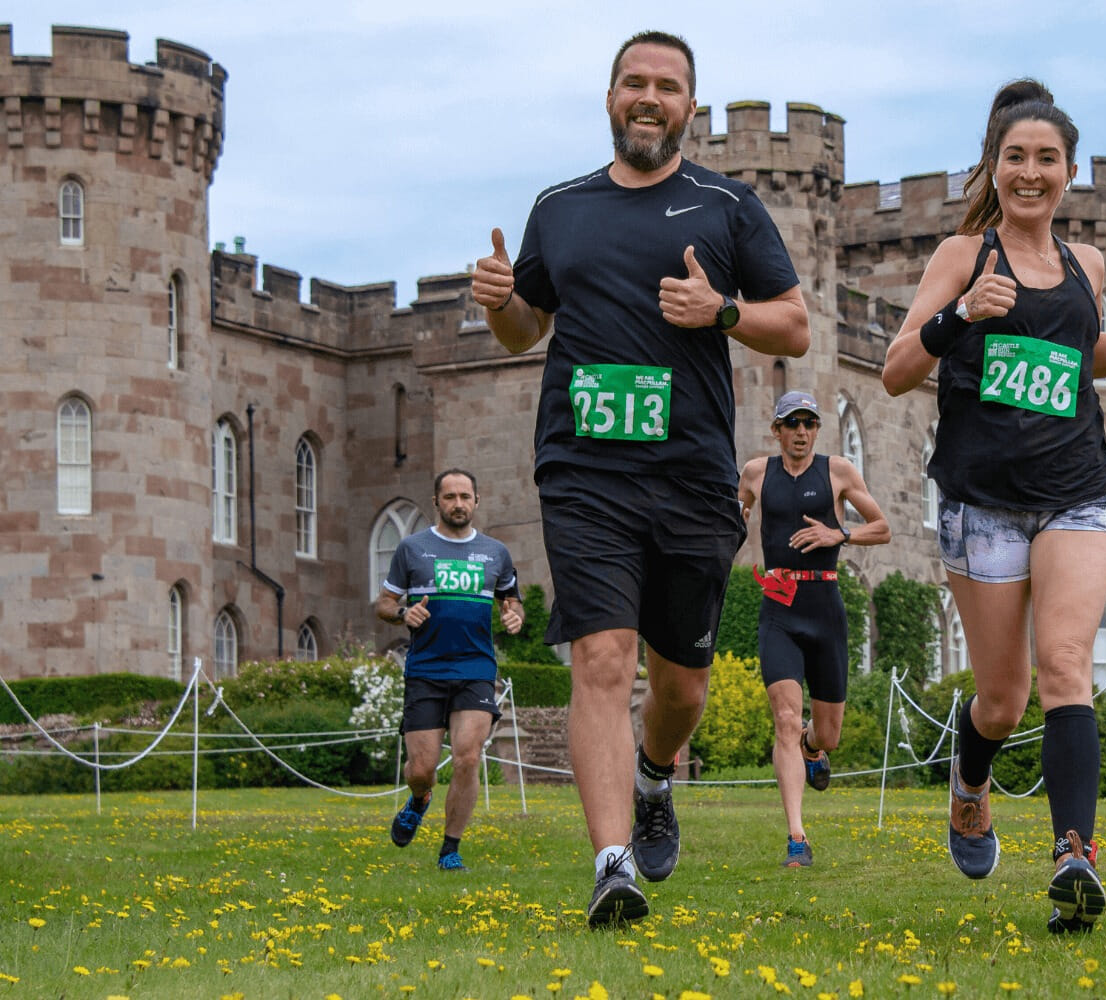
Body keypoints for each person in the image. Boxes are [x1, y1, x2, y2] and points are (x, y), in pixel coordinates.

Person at [470, 30, 809, 927]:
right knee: (601, 659)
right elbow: (524, 332)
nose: (648, 97)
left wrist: (723, 310)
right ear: (610, 96)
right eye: (634, 82)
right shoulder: (561, 208)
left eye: (667, 85)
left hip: (691, 474)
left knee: (681, 684)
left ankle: (657, 777)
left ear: (689, 107)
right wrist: (502, 297)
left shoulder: (726, 206)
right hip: (584, 471)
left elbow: (797, 325)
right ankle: (611, 862)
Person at [880, 79, 1106, 934]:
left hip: (1075, 491)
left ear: (1068, 171)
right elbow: (897, 370)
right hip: (982, 500)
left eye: (1045, 159)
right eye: (1015, 157)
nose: (1030, 173)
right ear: (996, 165)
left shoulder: (1087, 265)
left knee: (1065, 666)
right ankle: (970, 783)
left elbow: (1075, 352)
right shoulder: (961, 256)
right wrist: (956, 315)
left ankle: (1073, 858)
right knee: (1003, 699)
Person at [736, 390, 888, 868]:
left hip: (825, 607)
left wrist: (838, 533)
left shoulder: (837, 471)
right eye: (791, 423)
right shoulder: (756, 473)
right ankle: (797, 839)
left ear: (817, 429)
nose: (801, 432)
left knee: (829, 734)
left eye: (809, 423)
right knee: (783, 718)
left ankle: (811, 747)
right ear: (776, 430)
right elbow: (735, 513)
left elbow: (882, 527)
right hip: (778, 606)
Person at [374, 469, 525, 873]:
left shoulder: (496, 552)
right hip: (425, 668)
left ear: (476, 501)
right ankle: (419, 800)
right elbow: (384, 604)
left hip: (476, 667)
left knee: (467, 757)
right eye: (450, 497)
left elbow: (511, 600)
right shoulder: (412, 549)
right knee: (421, 770)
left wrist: (514, 617)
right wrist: (405, 613)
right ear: (436, 502)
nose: (458, 503)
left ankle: (450, 848)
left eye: (465, 496)